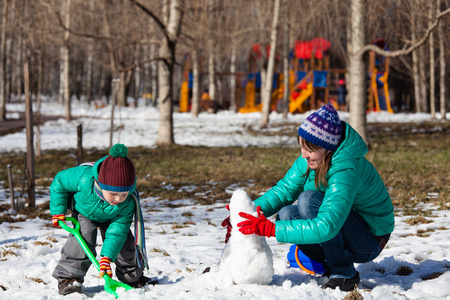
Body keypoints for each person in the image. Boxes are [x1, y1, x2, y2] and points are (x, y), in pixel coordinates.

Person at [232, 104, 394, 292]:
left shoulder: (346, 170)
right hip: (342, 225)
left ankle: (344, 273)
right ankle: (330, 265)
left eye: (309, 149)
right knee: (286, 215)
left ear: (327, 148)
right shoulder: (312, 159)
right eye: (301, 147)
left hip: (370, 239)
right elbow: (284, 190)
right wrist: (245, 214)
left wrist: (271, 229)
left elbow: (327, 225)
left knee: (309, 201)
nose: (303, 155)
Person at [50, 143, 156, 295]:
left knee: (123, 244)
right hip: (84, 213)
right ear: (100, 183)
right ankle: (69, 279)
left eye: (124, 194)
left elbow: (117, 231)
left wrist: (107, 257)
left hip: (113, 218)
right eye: (113, 193)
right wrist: (58, 210)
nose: (119, 199)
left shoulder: (127, 202)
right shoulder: (83, 177)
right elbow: (59, 182)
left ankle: (132, 277)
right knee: (81, 241)